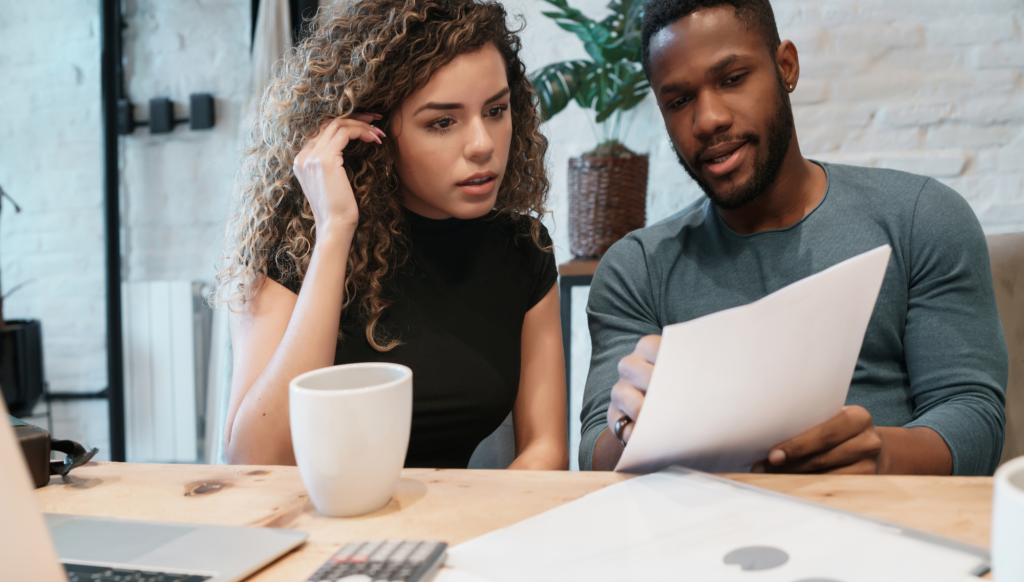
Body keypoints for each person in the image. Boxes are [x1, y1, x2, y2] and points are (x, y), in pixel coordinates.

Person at [580, 0, 1008, 475]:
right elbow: (594, 454)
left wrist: (880, 457)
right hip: (703, 533)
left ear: (786, 67)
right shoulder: (637, 269)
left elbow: (973, 417)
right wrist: (631, 427)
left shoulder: (920, 218)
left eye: (732, 79)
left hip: (885, 524)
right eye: (679, 101)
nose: (708, 120)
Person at [217, 0, 568, 470]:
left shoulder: (523, 250)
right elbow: (256, 458)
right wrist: (335, 232)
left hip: (459, 532)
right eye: (442, 122)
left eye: (496, 110)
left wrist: (476, 531)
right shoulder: (291, 246)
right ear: (369, 128)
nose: (483, 144)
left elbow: (545, 450)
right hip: (320, 530)